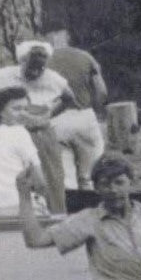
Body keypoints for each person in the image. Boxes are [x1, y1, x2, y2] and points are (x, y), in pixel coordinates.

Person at [0, 39, 77, 213]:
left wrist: (48, 115)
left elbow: (69, 99)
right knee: (6, 180)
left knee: (51, 182)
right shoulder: (3, 76)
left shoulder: (54, 80)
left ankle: (54, 220)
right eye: (30, 68)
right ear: (22, 61)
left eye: (40, 68)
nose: (35, 73)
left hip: (40, 135)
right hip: (7, 137)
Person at [47, 27, 109, 189]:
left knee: (65, 180)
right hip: (84, 116)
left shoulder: (44, 62)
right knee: (90, 177)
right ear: (69, 38)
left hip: (56, 119)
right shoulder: (86, 57)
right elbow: (102, 92)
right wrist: (95, 111)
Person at [0, 86, 48, 215]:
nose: (23, 114)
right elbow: (40, 183)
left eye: (26, 109)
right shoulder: (19, 132)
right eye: (16, 109)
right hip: (16, 205)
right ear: (1, 111)